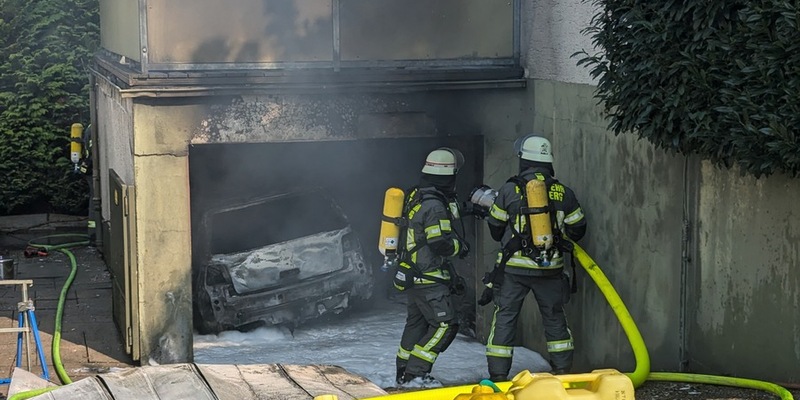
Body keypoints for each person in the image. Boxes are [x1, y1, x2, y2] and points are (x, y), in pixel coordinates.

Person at [483, 134, 587, 381]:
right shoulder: (564, 192)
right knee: (554, 317)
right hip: (550, 269)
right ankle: (562, 372)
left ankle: (498, 377)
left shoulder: (509, 189)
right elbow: (578, 229)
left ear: (523, 160)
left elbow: (495, 228)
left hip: (514, 270)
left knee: (505, 318)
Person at [394, 147, 470, 385]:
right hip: (429, 278)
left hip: (413, 275)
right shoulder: (435, 206)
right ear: (449, 176)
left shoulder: (416, 196)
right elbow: (439, 242)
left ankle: (403, 373)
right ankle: (416, 374)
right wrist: (460, 247)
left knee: (416, 324)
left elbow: (436, 215)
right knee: (446, 325)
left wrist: (469, 208)